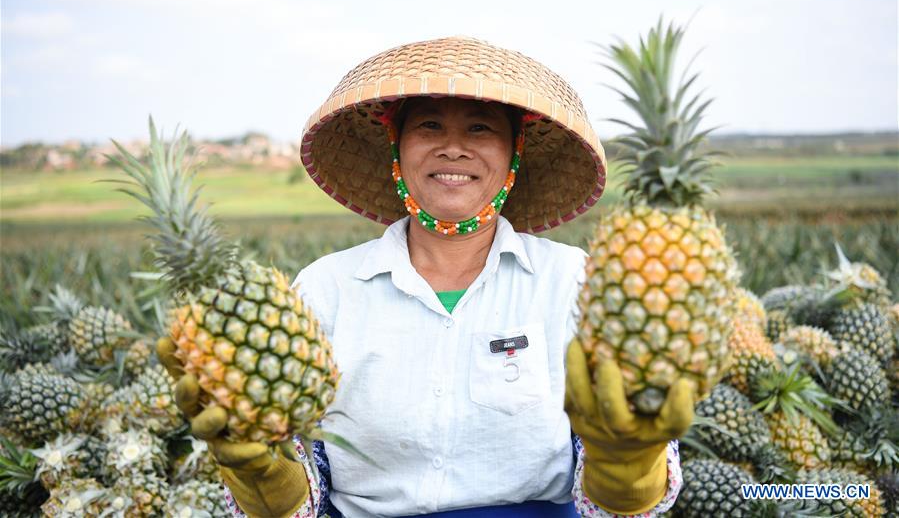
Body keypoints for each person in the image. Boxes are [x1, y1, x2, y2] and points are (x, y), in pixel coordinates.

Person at [162, 36, 692, 518]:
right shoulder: (327, 290)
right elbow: (304, 486)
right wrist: (263, 479)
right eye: (429, 125)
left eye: (480, 127)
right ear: (397, 148)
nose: (453, 148)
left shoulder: (575, 282)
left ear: (514, 153)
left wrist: (629, 473)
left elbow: (625, 485)